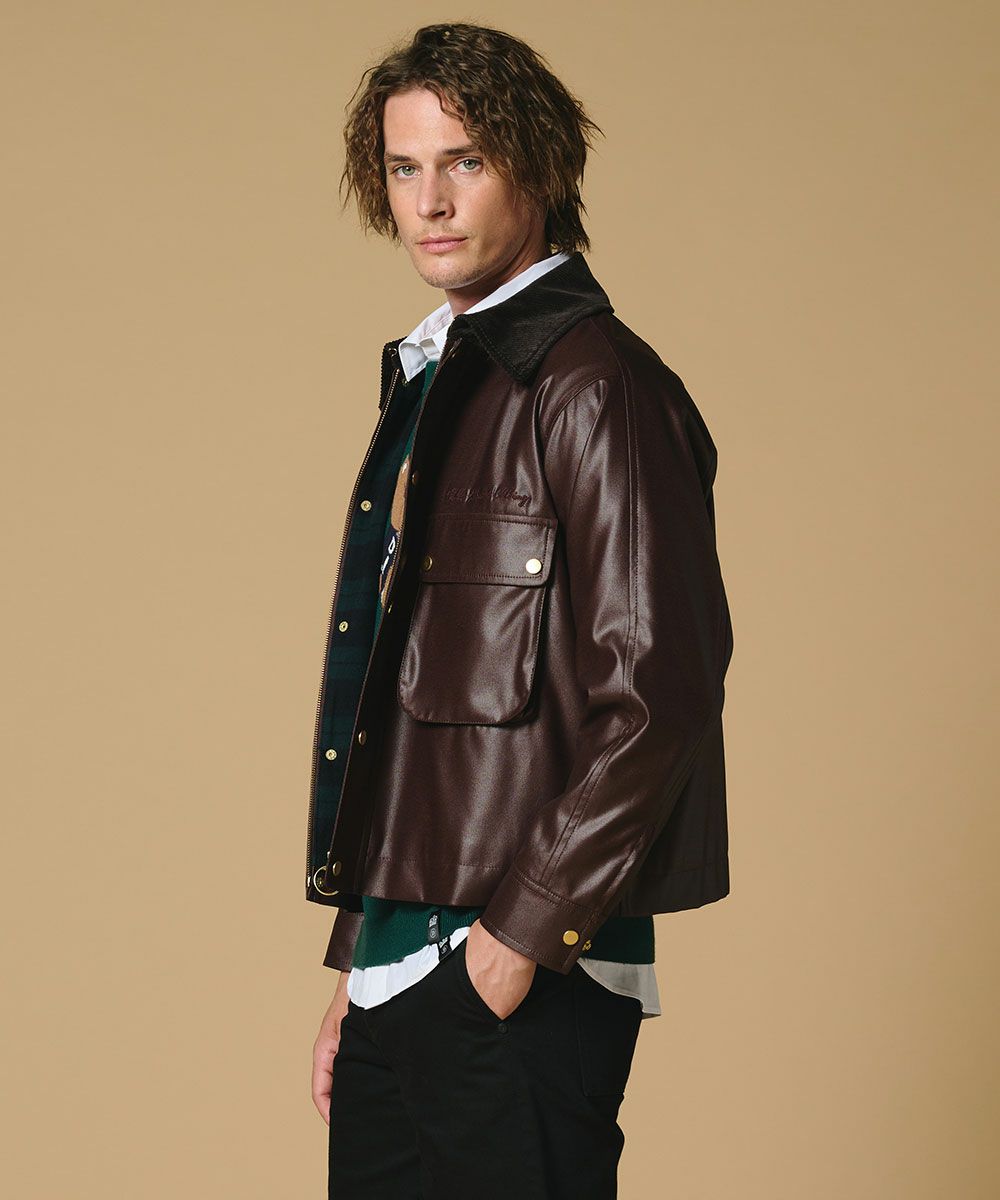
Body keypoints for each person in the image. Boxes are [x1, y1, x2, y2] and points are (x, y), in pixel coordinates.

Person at [307, 22, 734, 1200]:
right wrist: (358, 968)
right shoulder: (443, 379)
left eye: (466, 161)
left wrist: (512, 946)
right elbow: (407, 716)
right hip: (401, 973)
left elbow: (659, 694)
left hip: (519, 976)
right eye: (404, 168)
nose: (430, 202)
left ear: (537, 165)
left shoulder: (597, 386)